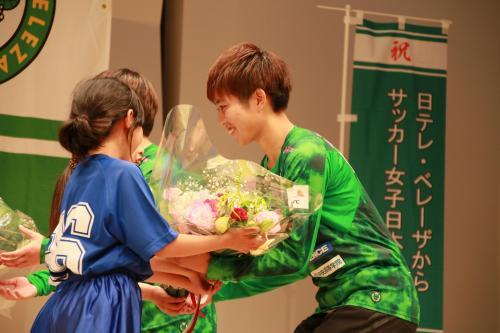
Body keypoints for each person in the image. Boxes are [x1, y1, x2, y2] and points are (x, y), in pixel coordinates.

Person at [174, 42, 420, 333]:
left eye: (224, 107)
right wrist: (215, 286)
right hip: (343, 302)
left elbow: (294, 255)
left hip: (377, 297)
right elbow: (293, 262)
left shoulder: (305, 154)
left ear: (258, 98)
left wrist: (212, 265)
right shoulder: (272, 165)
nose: (220, 120)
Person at [25, 76, 263, 332]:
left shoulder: (77, 174)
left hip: (68, 307)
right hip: (102, 308)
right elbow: (165, 244)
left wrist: (190, 279)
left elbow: (116, 259)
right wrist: (227, 240)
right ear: (129, 119)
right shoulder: (123, 173)